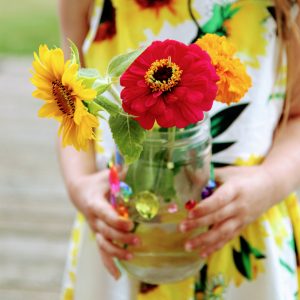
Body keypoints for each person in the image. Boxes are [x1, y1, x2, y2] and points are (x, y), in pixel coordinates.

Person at [58, 0, 300, 299]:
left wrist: (271, 182)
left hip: (245, 225)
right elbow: (70, 98)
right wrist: (79, 184)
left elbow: (297, 112)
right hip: (123, 230)